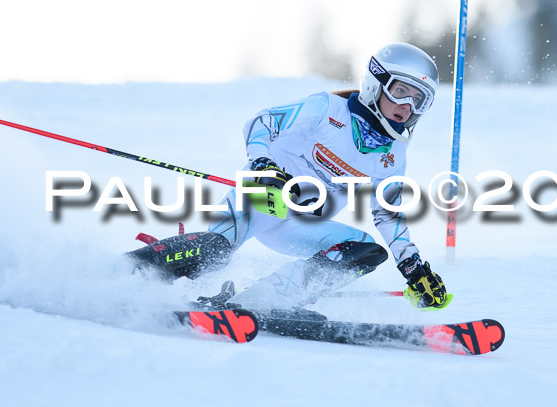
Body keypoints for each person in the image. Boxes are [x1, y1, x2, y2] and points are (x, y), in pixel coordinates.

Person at [127, 43, 447, 311]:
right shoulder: (327, 109)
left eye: (418, 99)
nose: (407, 105)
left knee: (365, 251)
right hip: (259, 200)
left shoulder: (392, 154)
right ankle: (129, 271)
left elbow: (387, 212)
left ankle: (260, 302)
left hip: (301, 224)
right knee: (215, 251)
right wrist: (263, 163)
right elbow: (260, 122)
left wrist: (412, 266)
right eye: (400, 91)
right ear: (375, 83)